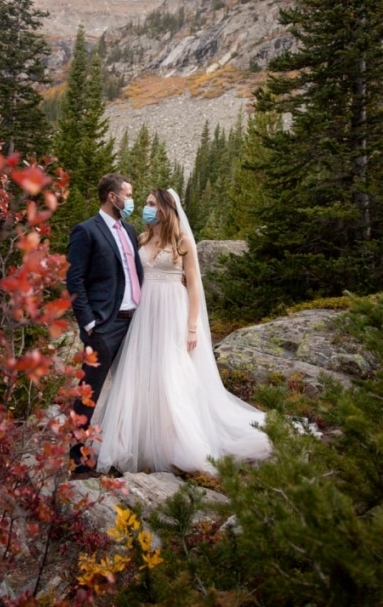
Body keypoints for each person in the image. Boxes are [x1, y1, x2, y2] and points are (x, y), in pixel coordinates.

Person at [91, 188, 271, 475]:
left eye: (151, 204)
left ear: (165, 208)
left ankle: (175, 443)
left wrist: (191, 326)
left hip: (172, 311)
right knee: (142, 372)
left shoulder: (184, 241)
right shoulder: (143, 237)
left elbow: (195, 285)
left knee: (171, 373)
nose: (146, 208)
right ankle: (133, 439)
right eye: (146, 203)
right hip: (144, 312)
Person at [66, 173, 144, 477]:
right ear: (113, 197)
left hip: (133, 323)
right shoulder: (86, 231)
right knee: (88, 393)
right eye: (128, 194)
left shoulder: (130, 229)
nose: (131, 200)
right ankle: (79, 462)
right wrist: (88, 322)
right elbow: (75, 280)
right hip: (104, 325)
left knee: (129, 389)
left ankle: (119, 453)